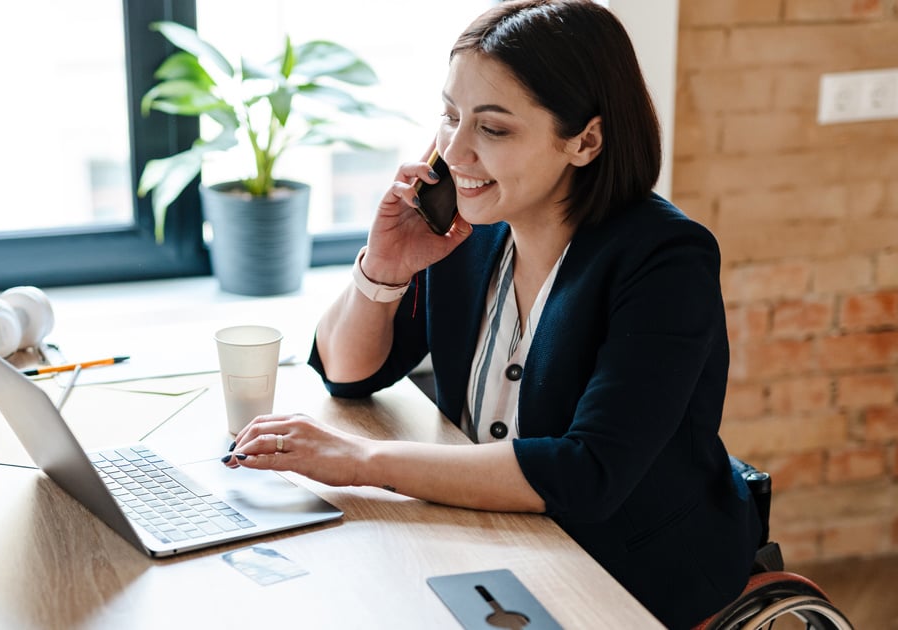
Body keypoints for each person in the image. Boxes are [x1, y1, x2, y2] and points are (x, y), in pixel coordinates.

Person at [222, 1, 761, 626]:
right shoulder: (473, 226)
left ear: (584, 140)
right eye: (449, 116)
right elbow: (350, 374)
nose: (453, 152)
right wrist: (385, 267)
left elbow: (588, 474)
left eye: (493, 129)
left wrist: (361, 462)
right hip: (486, 535)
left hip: (623, 568)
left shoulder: (666, 260)